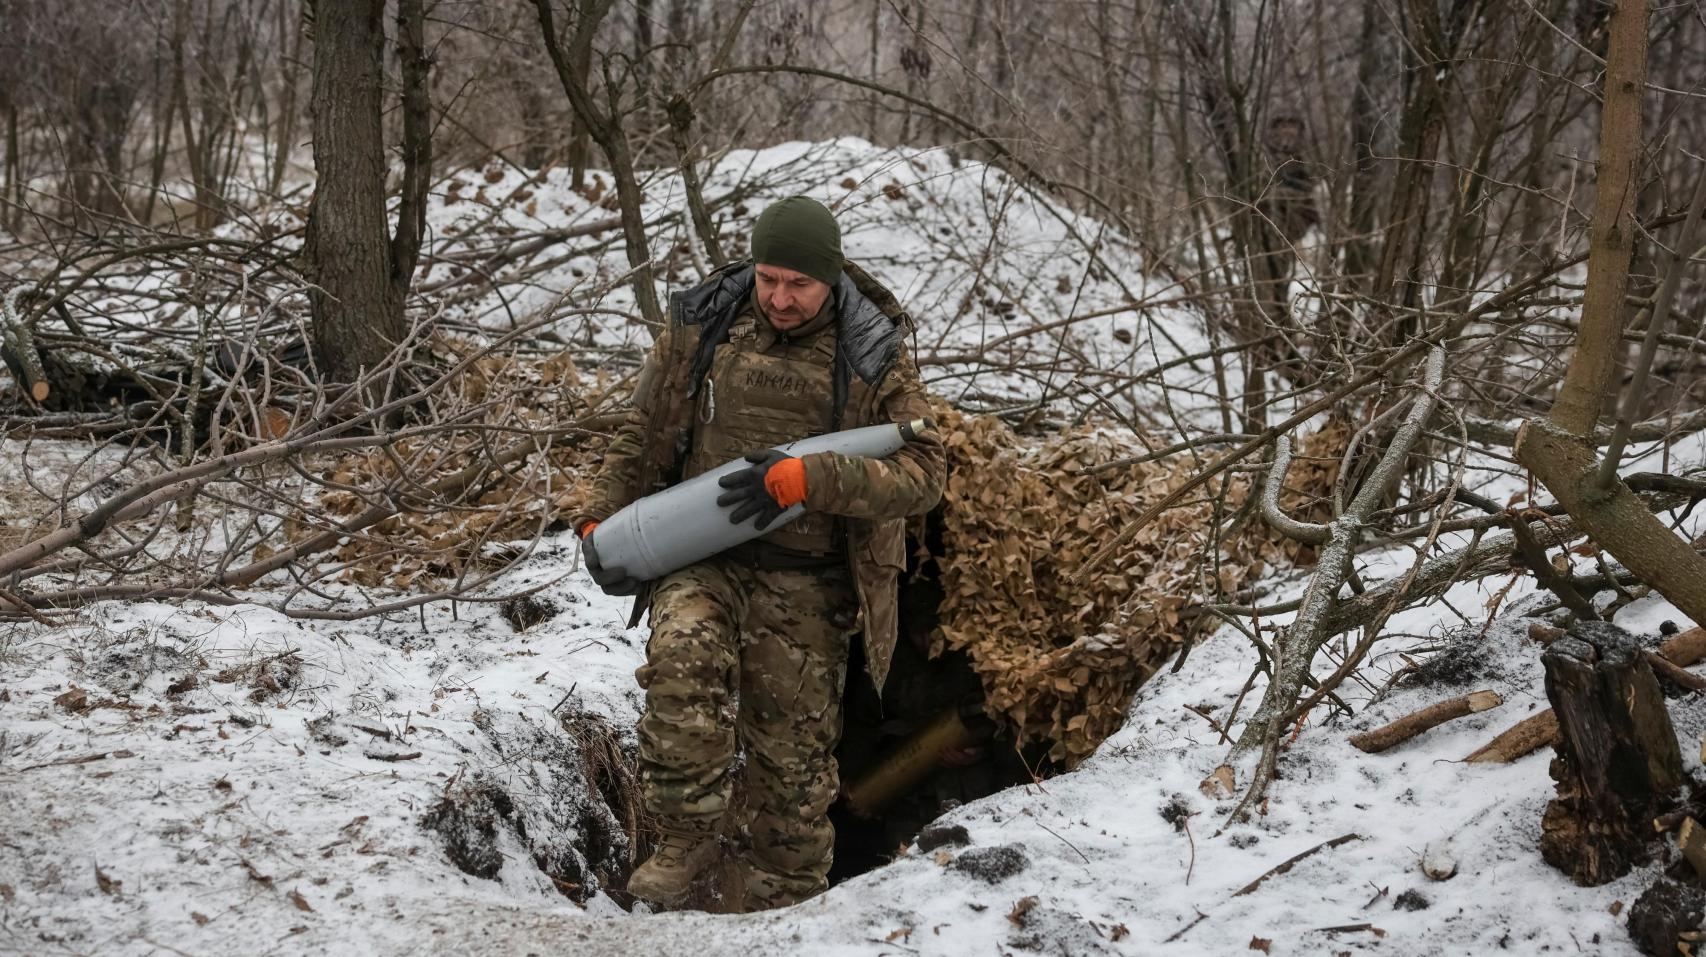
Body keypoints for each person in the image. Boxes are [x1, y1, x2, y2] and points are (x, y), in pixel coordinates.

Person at [567, 196, 945, 911]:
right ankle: (683, 839)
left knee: (792, 765)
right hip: (703, 554)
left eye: (799, 284)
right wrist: (598, 513)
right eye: (769, 279)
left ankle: (787, 901)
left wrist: (815, 478)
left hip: (810, 578)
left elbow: (925, 472)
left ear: (830, 277)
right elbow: (641, 428)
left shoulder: (871, 349)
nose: (780, 298)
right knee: (681, 661)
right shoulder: (705, 323)